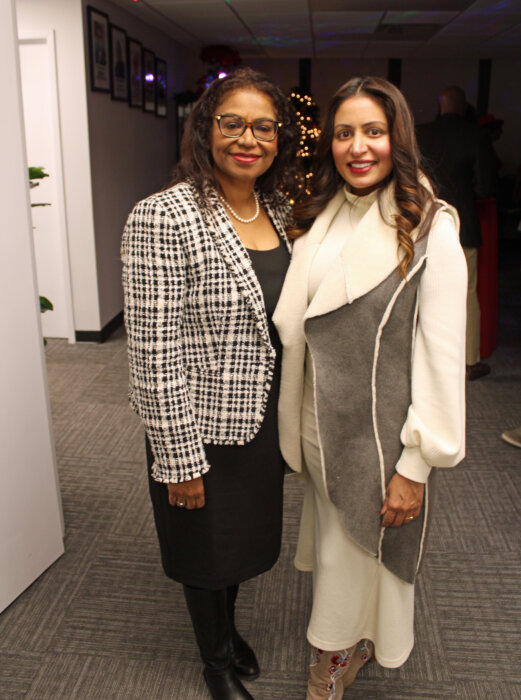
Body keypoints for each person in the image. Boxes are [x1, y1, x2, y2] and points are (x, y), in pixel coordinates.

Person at [273, 76, 467, 699]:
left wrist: (418, 464)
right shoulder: (321, 214)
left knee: (352, 556)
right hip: (314, 423)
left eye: (374, 132)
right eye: (345, 133)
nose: (359, 147)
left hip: (376, 436)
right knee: (337, 546)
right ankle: (347, 639)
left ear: (398, 138)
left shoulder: (429, 225)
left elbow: (441, 355)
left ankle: (331, 657)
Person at [121, 67, 298, 700]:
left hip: (261, 420)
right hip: (197, 426)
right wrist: (178, 460)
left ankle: (228, 628)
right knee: (204, 549)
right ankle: (215, 662)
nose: (247, 138)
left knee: (242, 543)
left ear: (278, 139)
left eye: (263, 126)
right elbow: (153, 351)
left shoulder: (272, 207)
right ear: (205, 128)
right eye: (232, 123)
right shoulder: (162, 216)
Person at [416, 86, 494, 380]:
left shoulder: (420, 133)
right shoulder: (476, 135)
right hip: (463, 227)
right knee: (466, 295)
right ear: (463, 107)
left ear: (440, 105)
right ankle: (468, 362)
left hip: (423, 225)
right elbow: (486, 188)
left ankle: (424, 359)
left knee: (422, 293)